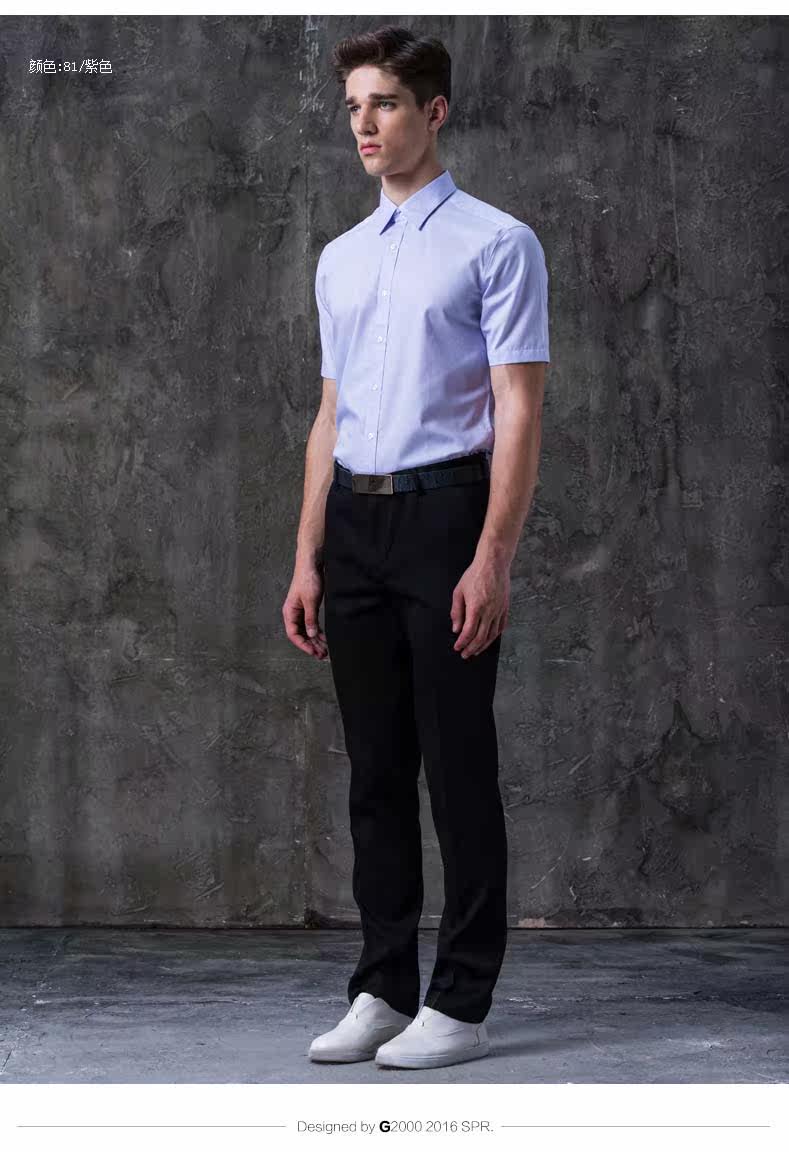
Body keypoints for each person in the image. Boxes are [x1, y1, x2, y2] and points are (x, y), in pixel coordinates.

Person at [283, 24, 549, 1070]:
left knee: (457, 763)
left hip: (446, 517)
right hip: (353, 521)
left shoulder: (498, 242)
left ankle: (462, 1000)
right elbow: (330, 415)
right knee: (375, 772)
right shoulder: (340, 259)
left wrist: (494, 554)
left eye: (385, 103)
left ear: (433, 112)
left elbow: (518, 408)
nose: (365, 124)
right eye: (354, 106)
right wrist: (307, 555)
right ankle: (383, 986)